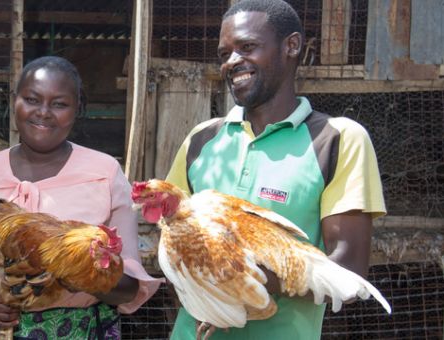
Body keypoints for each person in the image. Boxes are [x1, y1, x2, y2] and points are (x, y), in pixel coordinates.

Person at [164, 1, 385, 339]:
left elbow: (349, 268)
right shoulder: (202, 139)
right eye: (224, 54)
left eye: (247, 47)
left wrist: (236, 276)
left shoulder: (336, 139)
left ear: (291, 46)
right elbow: (172, 242)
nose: (232, 61)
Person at [0, 56, 163, 339]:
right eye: (32, 99)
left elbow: (130, 286)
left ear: (77, 109)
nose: (43, 112)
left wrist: (80, 273)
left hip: (81, 331)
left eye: (59, 104)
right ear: (15, 100)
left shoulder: (105, 172)